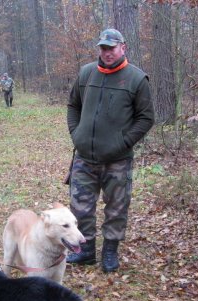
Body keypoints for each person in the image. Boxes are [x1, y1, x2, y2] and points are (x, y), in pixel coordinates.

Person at [66, 28, 155, 273]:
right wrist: (77, 134)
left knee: (116, 208)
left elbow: (146, 118)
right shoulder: (86, 74)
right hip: (84, 157)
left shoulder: (136, 79)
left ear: (123, 47)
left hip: (118, 160)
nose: (107, 53)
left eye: (111, 48)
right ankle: (85, 252)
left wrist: (123, 143)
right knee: (80, 207)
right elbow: (73, 106)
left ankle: (110, 252)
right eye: (103, 48)